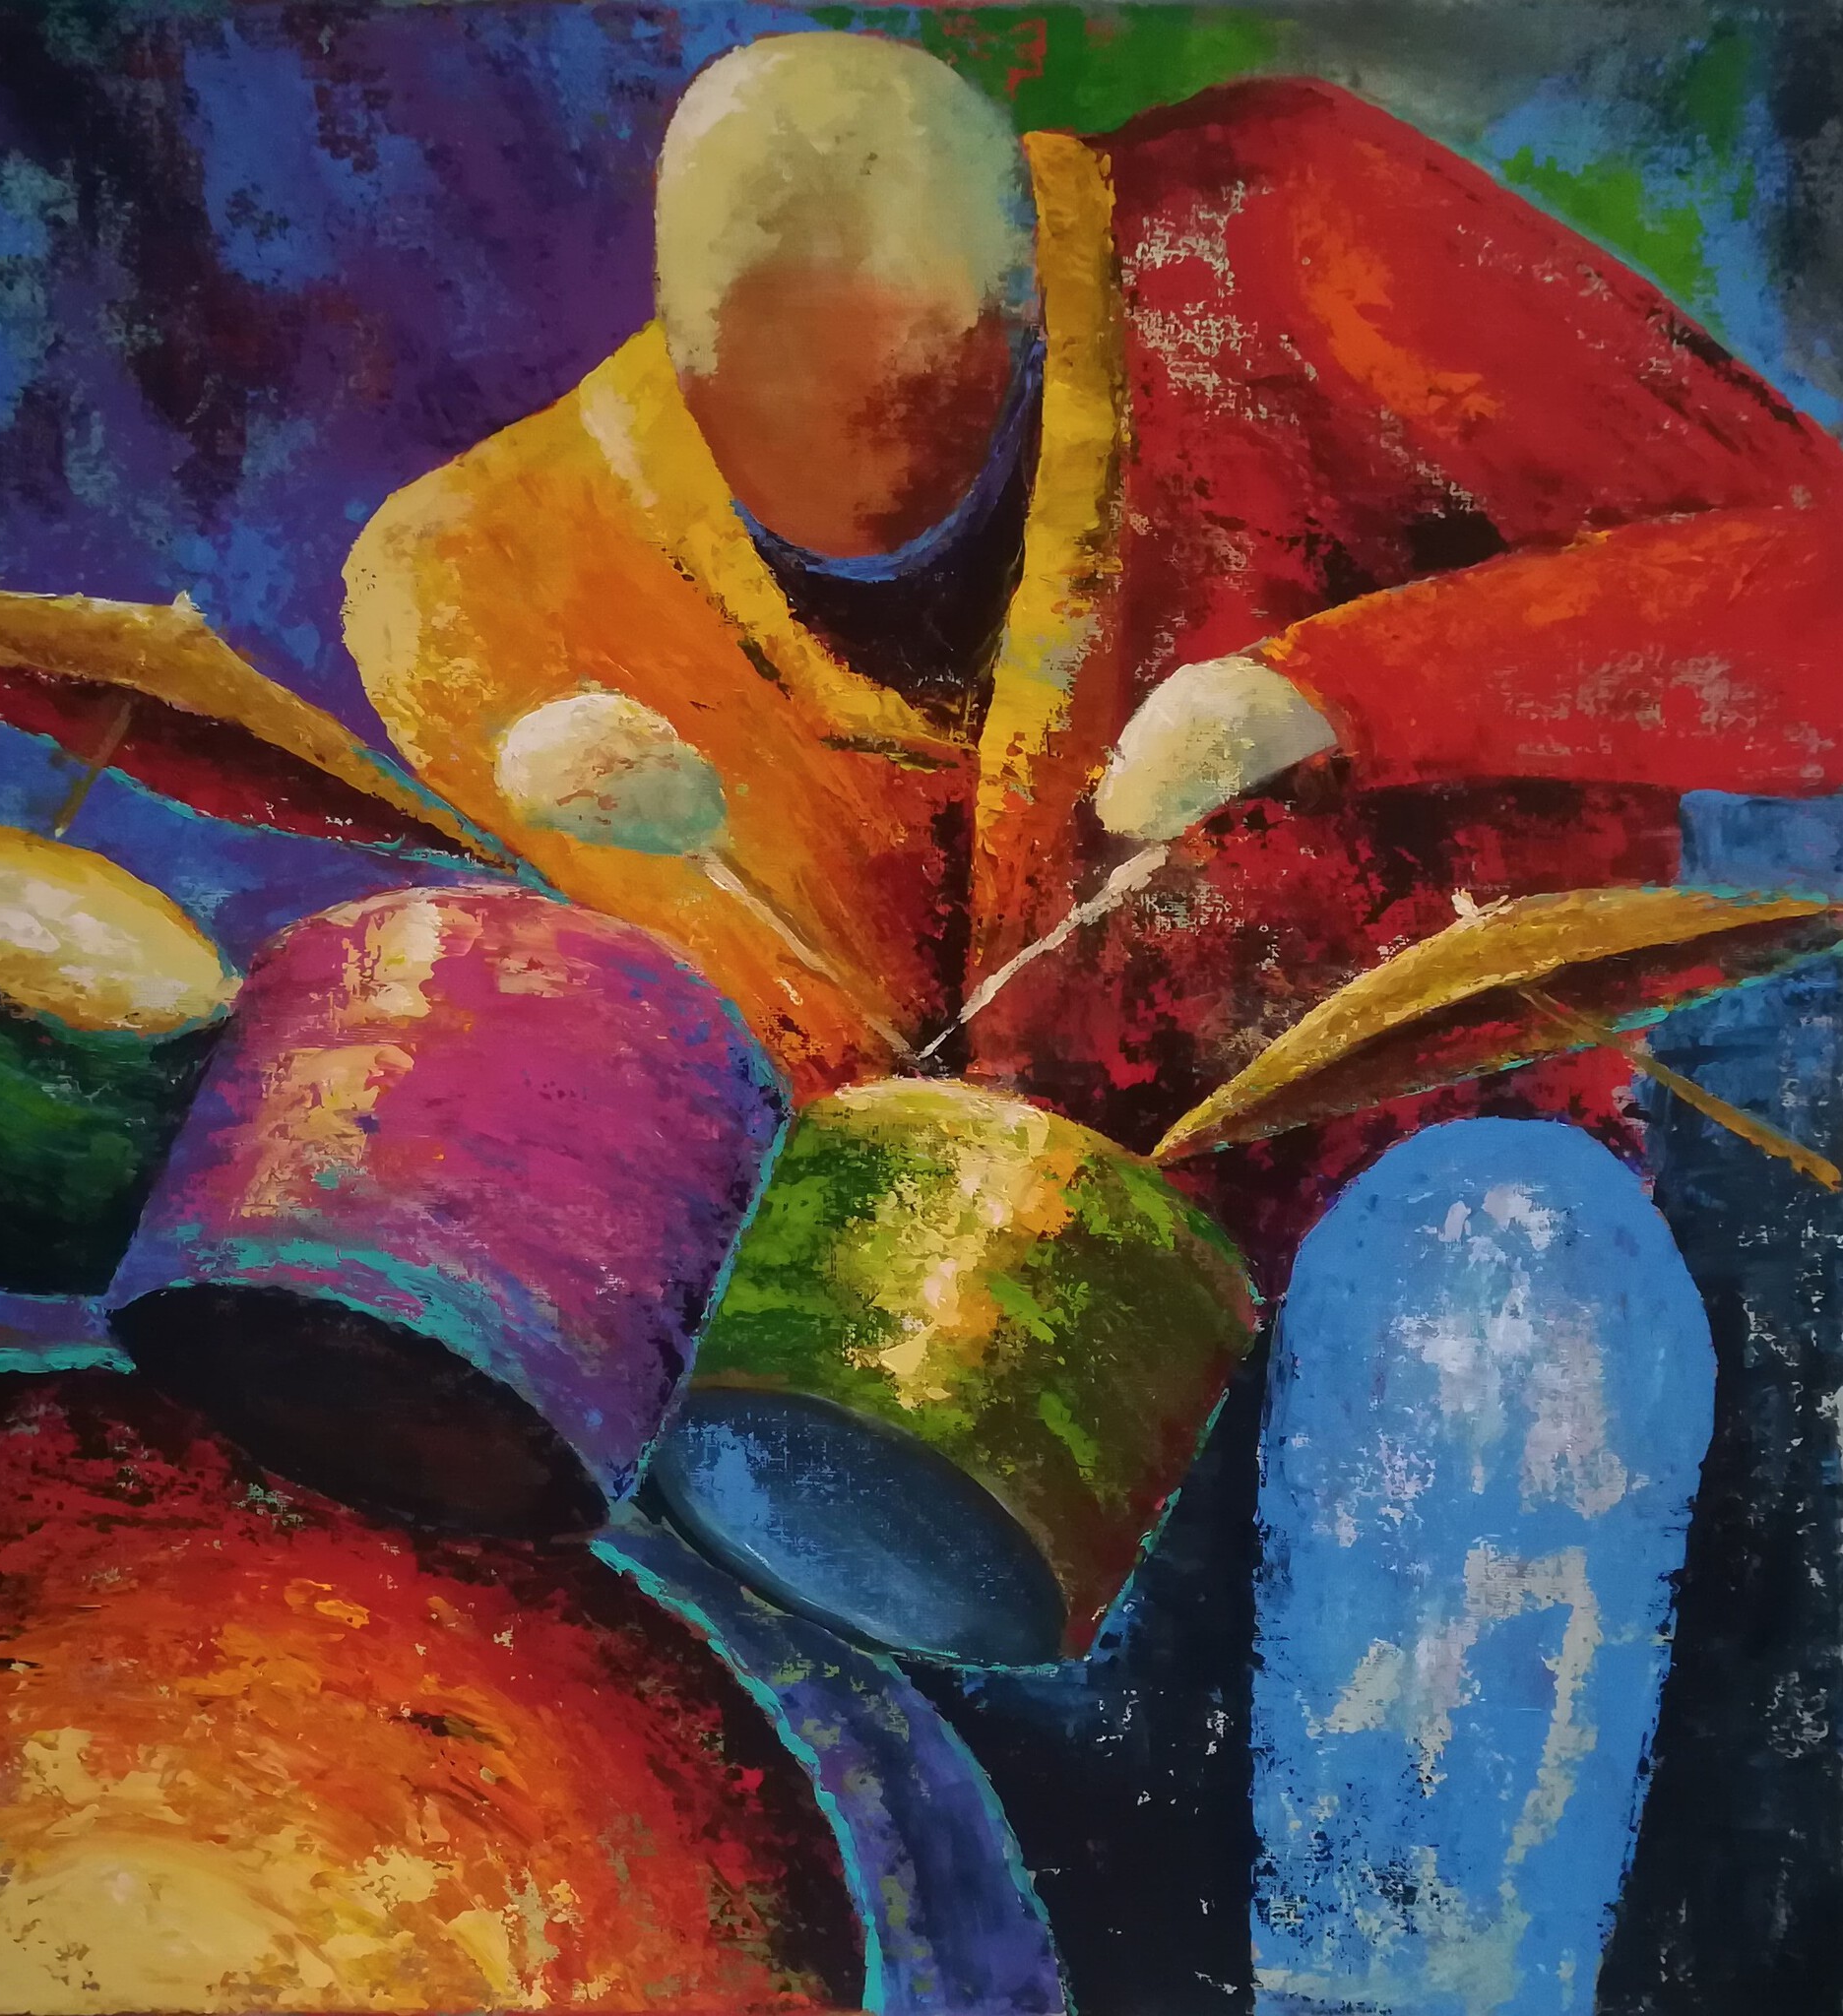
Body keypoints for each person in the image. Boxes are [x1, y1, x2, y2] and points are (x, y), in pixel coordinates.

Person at [341, 31, 1843, 2006]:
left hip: (1423, 1187)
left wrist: (1350, 688)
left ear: (1038, 282)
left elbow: (1811, 606)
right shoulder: (501, 574)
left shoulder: (1290, 234)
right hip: (949, 1324)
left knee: (1505, 1281)